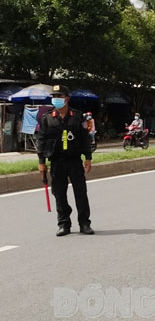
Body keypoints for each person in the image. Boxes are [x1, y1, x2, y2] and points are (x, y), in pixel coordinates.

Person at [37, 85, 94, 236]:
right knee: (59, 194)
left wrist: (88, 157)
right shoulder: (47, 118)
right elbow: (41, 140)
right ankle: (63, 224)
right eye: (54, 97)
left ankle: (84, 223)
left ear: (66, 98)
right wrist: (41, 161)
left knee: (80, 193)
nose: (56, 99)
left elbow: (85, 138)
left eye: (59, 96)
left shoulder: (77, 116)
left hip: (74, 160)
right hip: (56, 162)